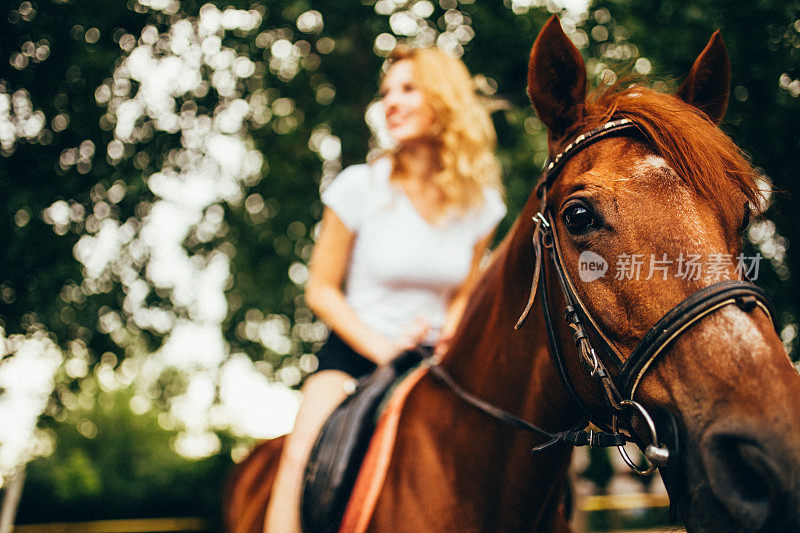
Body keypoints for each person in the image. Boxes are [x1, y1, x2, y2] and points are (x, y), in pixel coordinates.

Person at [263, 46, 506, 532]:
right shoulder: (359, 187)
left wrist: (450, 334)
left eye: (408, 88)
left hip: (440, 365)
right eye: (386, 92)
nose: (391, 102)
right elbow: (321, 290)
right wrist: (384, 349)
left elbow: (464, 290)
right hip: (354, 357)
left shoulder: (483, 206)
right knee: (301, 459)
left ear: (444, 98)